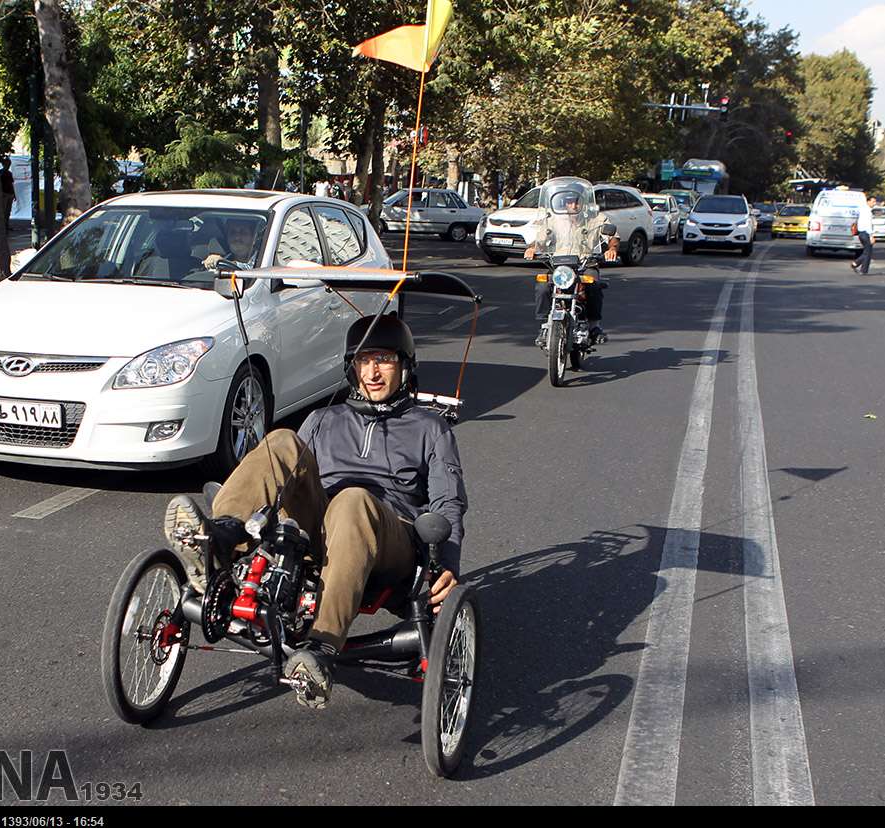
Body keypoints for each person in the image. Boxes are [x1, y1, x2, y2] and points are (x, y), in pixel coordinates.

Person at [162, 313, 467, 709]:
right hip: (323, 531)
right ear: (352, 367)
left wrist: (447, 566)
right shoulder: (325, 419)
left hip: (391, 537)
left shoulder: (430, 428)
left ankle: (321, 647)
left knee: (353, 499)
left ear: (405, 366)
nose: (373, 372)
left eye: (385, 360)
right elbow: (288, 478)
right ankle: (219, 539)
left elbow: (448, 501)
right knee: (282, 441)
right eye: (364, 361)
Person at [524, 181, 619, 344]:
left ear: (583, 202)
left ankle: (594, 326)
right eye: (569, 201)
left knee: (594, 286)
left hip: (585, 265)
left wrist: (612, 249)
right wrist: (532, 248)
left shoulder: (596, 219)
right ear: (564, 203)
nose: (573, 205)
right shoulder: (554, 220)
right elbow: (540, 240)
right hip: (560, 267)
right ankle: (545, 325)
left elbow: (613, 237)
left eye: (577, 201)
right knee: (542, 285)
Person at [851, 197, 875, 275]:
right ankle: (858, 265)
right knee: (868, 252)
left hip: (861, 233)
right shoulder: (867, 211)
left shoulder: (862, 210)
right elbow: (868, 225)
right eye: (873, 202)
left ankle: (862, 268)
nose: (874, 203)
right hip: (865, 233)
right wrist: (871, 236)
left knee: (867, 252)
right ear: (868, 202)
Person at [0, 158, 15, 232]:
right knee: (3, 210)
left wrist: (14, 194)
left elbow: (11, 184)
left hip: (10, 193)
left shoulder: (9, 173)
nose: (8, 166)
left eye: (9, 164)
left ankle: (6, 225)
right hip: (4, 193)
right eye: (7, 164)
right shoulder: (0, 173)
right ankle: (3, 225)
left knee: (8, 211)